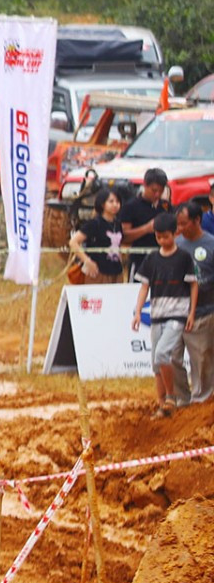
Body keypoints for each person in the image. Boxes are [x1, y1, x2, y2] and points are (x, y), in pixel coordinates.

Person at [132, 208, 197, 412]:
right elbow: (144, 287)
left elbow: (193, 285)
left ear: (175, 233)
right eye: (158, 237)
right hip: (157, 315)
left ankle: (170, 396)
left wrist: (191, 313)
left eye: (165, 237)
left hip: (177, 314)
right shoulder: (152, 259)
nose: (162, 240)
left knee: (161, 354)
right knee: (156, 363)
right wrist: (137, 312)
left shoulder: (184, 257)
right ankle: (163, 406)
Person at [178, 204, 214, 405]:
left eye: (184, 224)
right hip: (176, 311)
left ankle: (202, 401)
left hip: (204, 311)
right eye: (178, 224)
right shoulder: (175, 244)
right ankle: (180, 399)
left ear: (197, 220)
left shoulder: (211, 245)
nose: (180, 228)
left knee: (202, 359)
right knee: (168, 357)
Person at [69, 186, 127, 283]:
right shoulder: (94, 223)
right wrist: (87, 261)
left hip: (116, 272)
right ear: (102, 204)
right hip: (97, 272)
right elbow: (73, 242)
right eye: (111, 201)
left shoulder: (117, 224)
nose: (115, 204)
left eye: (117, 202)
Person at [120, 168, 170, 256]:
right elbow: (123, 237)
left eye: (161, 191)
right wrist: (146, 229)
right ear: (145, 185)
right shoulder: (130, 206)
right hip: (139, 256)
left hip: (163, 255)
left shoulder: (165, 206)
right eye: (154, 190)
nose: (157, 194)